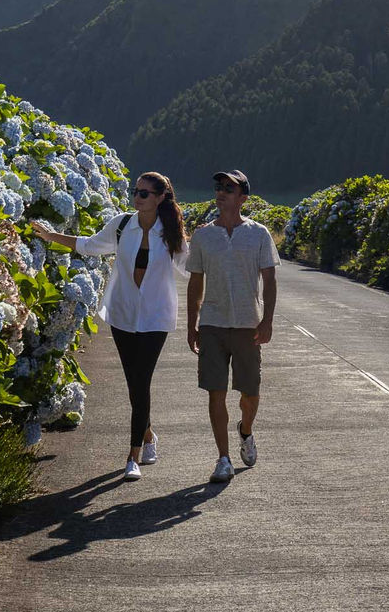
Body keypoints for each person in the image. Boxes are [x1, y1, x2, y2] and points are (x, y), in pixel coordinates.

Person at [30, 172, 187, 482]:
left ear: (159, 198)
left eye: (144, 193)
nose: (137, 197)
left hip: (155, 317)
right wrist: (50, 236)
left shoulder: (171, 233)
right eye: (136, 191)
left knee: (141, 381)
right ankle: (149, 435)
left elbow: (192, 267)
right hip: (123, 314)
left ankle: (133, 456)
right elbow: (88, 245)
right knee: (134, 383)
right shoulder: (122, 225)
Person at [185, 169, 278, 484]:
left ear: (243, 198)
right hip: (212, 323)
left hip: (247, 325)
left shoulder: (259, 234)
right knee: (216, 391)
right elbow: (195, 282)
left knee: (250, 392)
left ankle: (246, 430)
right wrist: (191, 324)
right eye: (218, 187)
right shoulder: (202, 236)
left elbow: (270, 279)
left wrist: (267, 320)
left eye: (229, 188)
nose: (221, 192)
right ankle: (223, 459)